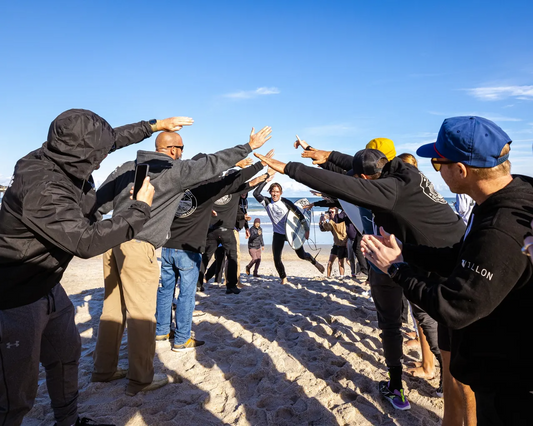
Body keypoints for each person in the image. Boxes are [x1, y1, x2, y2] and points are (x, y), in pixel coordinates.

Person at [255, 146, 464, 411]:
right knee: (425, 320)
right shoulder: (405, 171)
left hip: (396, 258)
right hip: (424, 253)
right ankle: (441, 377)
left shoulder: (385, 191)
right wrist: (330, 156)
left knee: (393, 324)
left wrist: (288, 168)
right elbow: (347, 171)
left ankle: (397, 386)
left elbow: (336, 182)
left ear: (364, 179)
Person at [0, 108, 173, 426]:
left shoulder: (57, 154)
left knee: (66, 354)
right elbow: (87, 243)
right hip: (16, 297)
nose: (99, 160)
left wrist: (152, 126)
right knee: (16, 393)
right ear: (76, 153)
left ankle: (68, 422)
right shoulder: (44, 189)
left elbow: (110, 140)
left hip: (47, 284)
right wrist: (138, 208)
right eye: (94, 155)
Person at [361, 116, 533, 425]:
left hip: (513, 384)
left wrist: (396, 270)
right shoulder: (504, 195)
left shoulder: (501, 227)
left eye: (439, 163)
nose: (435, 171)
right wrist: (406, 252)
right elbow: (463, 254)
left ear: (462, 170)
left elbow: (456, 307)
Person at [92, 126, 272, 396]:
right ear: (173, 150)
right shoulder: (173, 172)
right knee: (142, 315)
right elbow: (212, 165)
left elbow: (97, 205)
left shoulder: (126, 167)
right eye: (181, 150)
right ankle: (140, 379)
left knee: (113, 310)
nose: (182, 155)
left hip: (110, 242)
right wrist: (248, 148)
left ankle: (103, 370)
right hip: (139, 246)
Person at [155, 156, 270, 349]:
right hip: (189, 248)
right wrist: (262, 166)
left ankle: (162, 331)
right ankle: (182, 339)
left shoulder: (175, 185)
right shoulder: (207, 190)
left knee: (166, 290)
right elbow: (241, 180)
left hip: (167, 246)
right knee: (186, 294)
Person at [253, 179, 325, 284]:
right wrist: (265, 180)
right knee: (276, 258)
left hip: (291, 233)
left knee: (302, 255)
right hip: (278, 234)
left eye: (277, 192)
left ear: (280, 193)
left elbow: (300, 216)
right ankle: (284, 278)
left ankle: (314, 262)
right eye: (273, 191)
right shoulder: (267, 202)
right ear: (270, 192)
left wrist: (306, 229)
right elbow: (255, 193)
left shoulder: (286, 202)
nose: (275, 194)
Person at [319, 207, 348, 277]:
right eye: (329, 212)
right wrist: (322, 221)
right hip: (336, 244)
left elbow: (347, 232)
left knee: (341, 262)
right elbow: (324, 228)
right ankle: (328, 277)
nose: (330, 214)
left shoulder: (342, 220)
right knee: (329, 262)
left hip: (343, 244)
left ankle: (342, 277)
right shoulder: (331, 222)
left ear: (336, 211)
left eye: (332, 212)